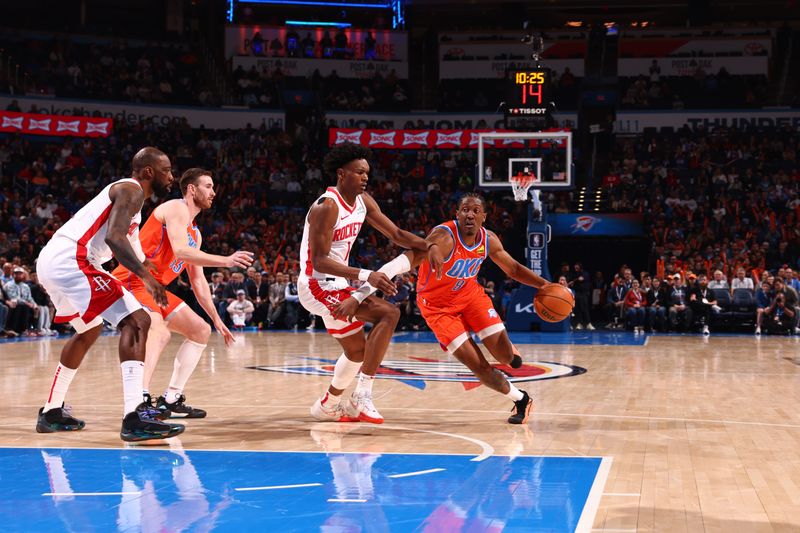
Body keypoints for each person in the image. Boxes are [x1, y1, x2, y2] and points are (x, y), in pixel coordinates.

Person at [340, 194, 550, 425]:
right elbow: (404, 260)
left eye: (475, 210)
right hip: (438, 309)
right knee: (479, 367)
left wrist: (545, 285)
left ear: (484, 216)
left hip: (471, 298)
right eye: (464, 210)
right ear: (457, 214)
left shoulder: (488, 240)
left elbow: (513, 269)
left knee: (506, 357)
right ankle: (521, 399)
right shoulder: (443, 238)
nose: (470, 214)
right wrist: (362, 293)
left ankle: (508, 350)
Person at [35, 146, 184, 442]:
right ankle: (134, 415)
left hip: (54, 261)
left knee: (88, 330)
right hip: (72, 260)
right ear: (148, 172)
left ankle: (51, 411)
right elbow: (114, 239)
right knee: (137, 321)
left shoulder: (132, 206)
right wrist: (147, 279)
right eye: (166, 170)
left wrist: (149, 268)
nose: (171, 176)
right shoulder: (132, 190)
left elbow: (131, 248)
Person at [301, 142, 429, 424]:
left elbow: (396, 233)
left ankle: (329, 404)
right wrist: (365, 275)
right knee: (389, 312)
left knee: (358, 352)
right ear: (341, 173)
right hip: (317, 284)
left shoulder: (363, 201)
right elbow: (319, 260)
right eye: (359, 172)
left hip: (338, 283)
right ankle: (362, 393)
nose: (365, 177)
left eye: (367, 173)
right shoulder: (326, 206)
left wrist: (431, 246)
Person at [111, 168, 253, 418]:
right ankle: (140, 400)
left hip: (153, 289)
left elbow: (198, 282)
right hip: (132, 280)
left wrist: (217, 320)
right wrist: (226, 260)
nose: (213, 192)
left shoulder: (195, 234)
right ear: (191, 189)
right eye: (208, 186)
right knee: (159, 331)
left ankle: (171, 399)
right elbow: (180, 251)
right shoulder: (176, 208)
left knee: (200, 330)